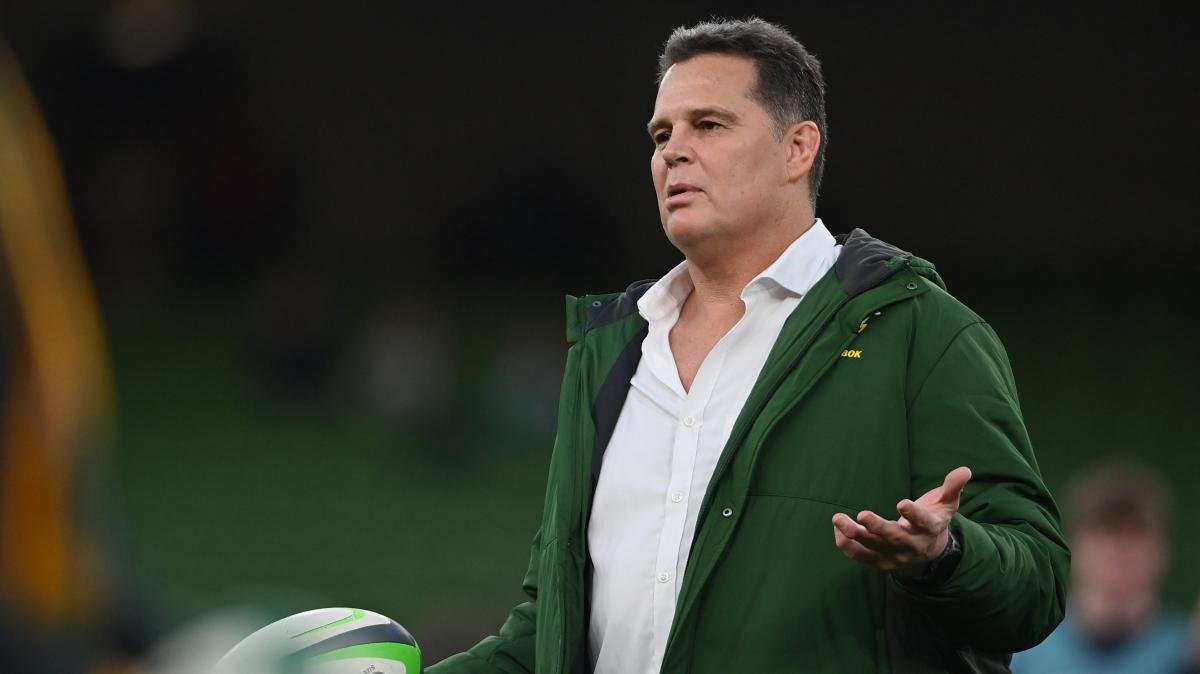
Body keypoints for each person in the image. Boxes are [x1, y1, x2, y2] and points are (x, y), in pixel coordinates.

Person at [428, 17, 1068, 674]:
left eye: (708, 125)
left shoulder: (920, 333)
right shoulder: (609, 356)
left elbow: (1039, 586)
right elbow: (553, 631)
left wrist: (945, 556)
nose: (673, 152)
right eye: (661, 135)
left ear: (798, 149)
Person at [1011, 459, 1188, 674]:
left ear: (1163, 550)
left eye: (1137, 533)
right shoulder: (1023, 652)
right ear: (1072, 546)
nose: (1120, 549)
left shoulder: (1187, 652)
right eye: (1107, 531)